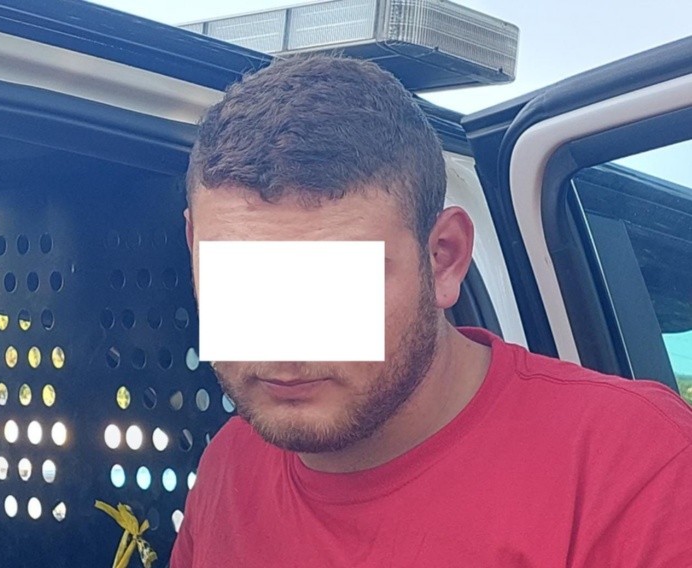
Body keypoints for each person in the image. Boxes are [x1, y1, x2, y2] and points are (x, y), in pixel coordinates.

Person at [171, 54, 692, 567]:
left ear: (443, 258)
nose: (282, 350)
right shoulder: (231, 463)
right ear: (193, 245)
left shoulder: (634, 470)